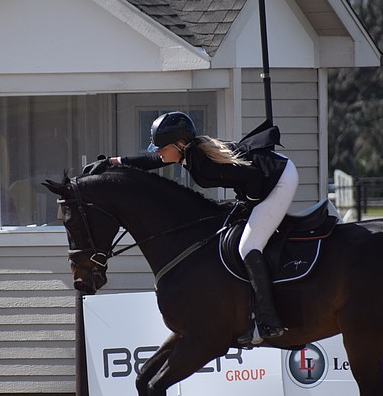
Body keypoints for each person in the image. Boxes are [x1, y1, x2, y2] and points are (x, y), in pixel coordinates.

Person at [107, 111, 298, 346]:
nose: (158, 152)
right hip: (263, 177)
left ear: (179, 145)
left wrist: (249, 203)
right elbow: (152, 161)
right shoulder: (187, 154)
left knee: (249, 246)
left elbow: (253, 178)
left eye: (161, 148)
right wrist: (114, 162)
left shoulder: (202, 162)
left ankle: (269, 320)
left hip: (278, 178)